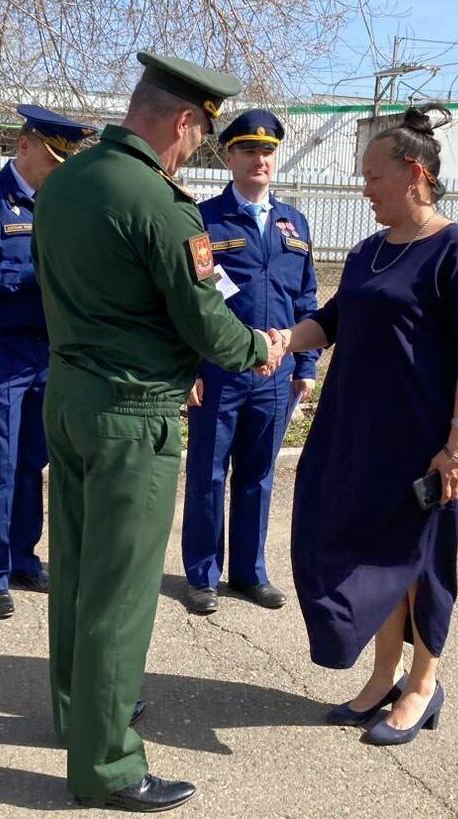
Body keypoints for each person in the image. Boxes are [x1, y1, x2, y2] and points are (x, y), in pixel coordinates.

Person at [33, 53, 284, 811]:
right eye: (198, 137)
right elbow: (201, 311)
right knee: (122, 591)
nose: (192, 152)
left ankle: (82, 715)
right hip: (132, 415)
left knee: (76, 573)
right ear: (182, 119)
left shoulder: (65, 180)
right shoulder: (160, 202)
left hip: (70, 395)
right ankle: (108, 765)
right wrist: (255, 349)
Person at [271, 104, 458, 746]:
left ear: (413, 174)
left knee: (419, 562)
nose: (363, 188)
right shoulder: (369, 251)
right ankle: (382, 676)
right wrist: (283, 340)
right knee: (368, 557)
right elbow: (334, 320)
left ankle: (422, 685)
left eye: (372, 177)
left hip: (423, 443)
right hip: (354, 435)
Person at [0, 105, 97, 619]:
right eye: (54, 158)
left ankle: (23, 557)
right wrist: (28, 278)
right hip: (1, 350)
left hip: (50, 352)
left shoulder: (65, 205)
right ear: (25, 145)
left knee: (35, 459)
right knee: (1, 460)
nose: (59, 169)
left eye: (66, 161)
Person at [180, 109, 320, 615]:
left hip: (277, 374)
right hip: (220, 371)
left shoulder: (294, 223)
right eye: (248, 150)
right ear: (228, 156)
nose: (259, 160)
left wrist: (305, 365)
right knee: (208, 473)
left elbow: (307, 298)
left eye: (267, 152)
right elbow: (195, 297)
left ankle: (249, 572)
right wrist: (190, 366)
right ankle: (202, 575)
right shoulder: (204, 220)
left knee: (259, 475)